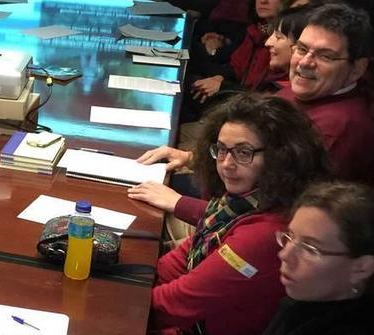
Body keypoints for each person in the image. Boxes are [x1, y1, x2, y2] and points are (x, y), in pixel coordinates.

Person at [137, 94, 328, 335]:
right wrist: (132, 279)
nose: (226, 164)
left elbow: (175, 305)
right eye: (222, 150)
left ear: (281, 156)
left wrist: (124, 300)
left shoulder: (264, 234)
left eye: (243, 152)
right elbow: (179, 262)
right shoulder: (245, 199)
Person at [263, 182, 374, 334]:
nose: (284, 255)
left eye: (310, 249)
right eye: (290, 236)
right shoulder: (304, 302)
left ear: (361, 269)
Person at [276, 3, 374, 184]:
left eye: (325, 56)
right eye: (301, 49)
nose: (304, 62)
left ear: (357, 69)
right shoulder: (308, 92)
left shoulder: (339, 131)